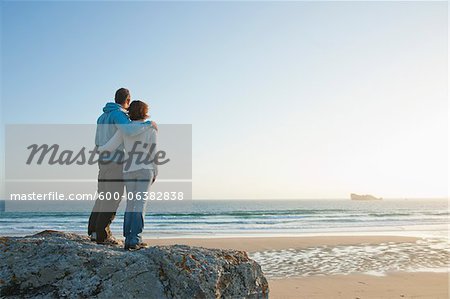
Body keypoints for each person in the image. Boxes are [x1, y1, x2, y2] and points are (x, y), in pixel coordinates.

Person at [88, 88, 157, 245]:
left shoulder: (101, 116)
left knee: (103, 195)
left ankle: (93, 231)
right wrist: (148, 124)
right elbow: (129, 130)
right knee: (113, 197)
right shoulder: (118, 115)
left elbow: (100, 141)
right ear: (127, 100)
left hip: (103, 159)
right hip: (116, 161)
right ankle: (103, 235)